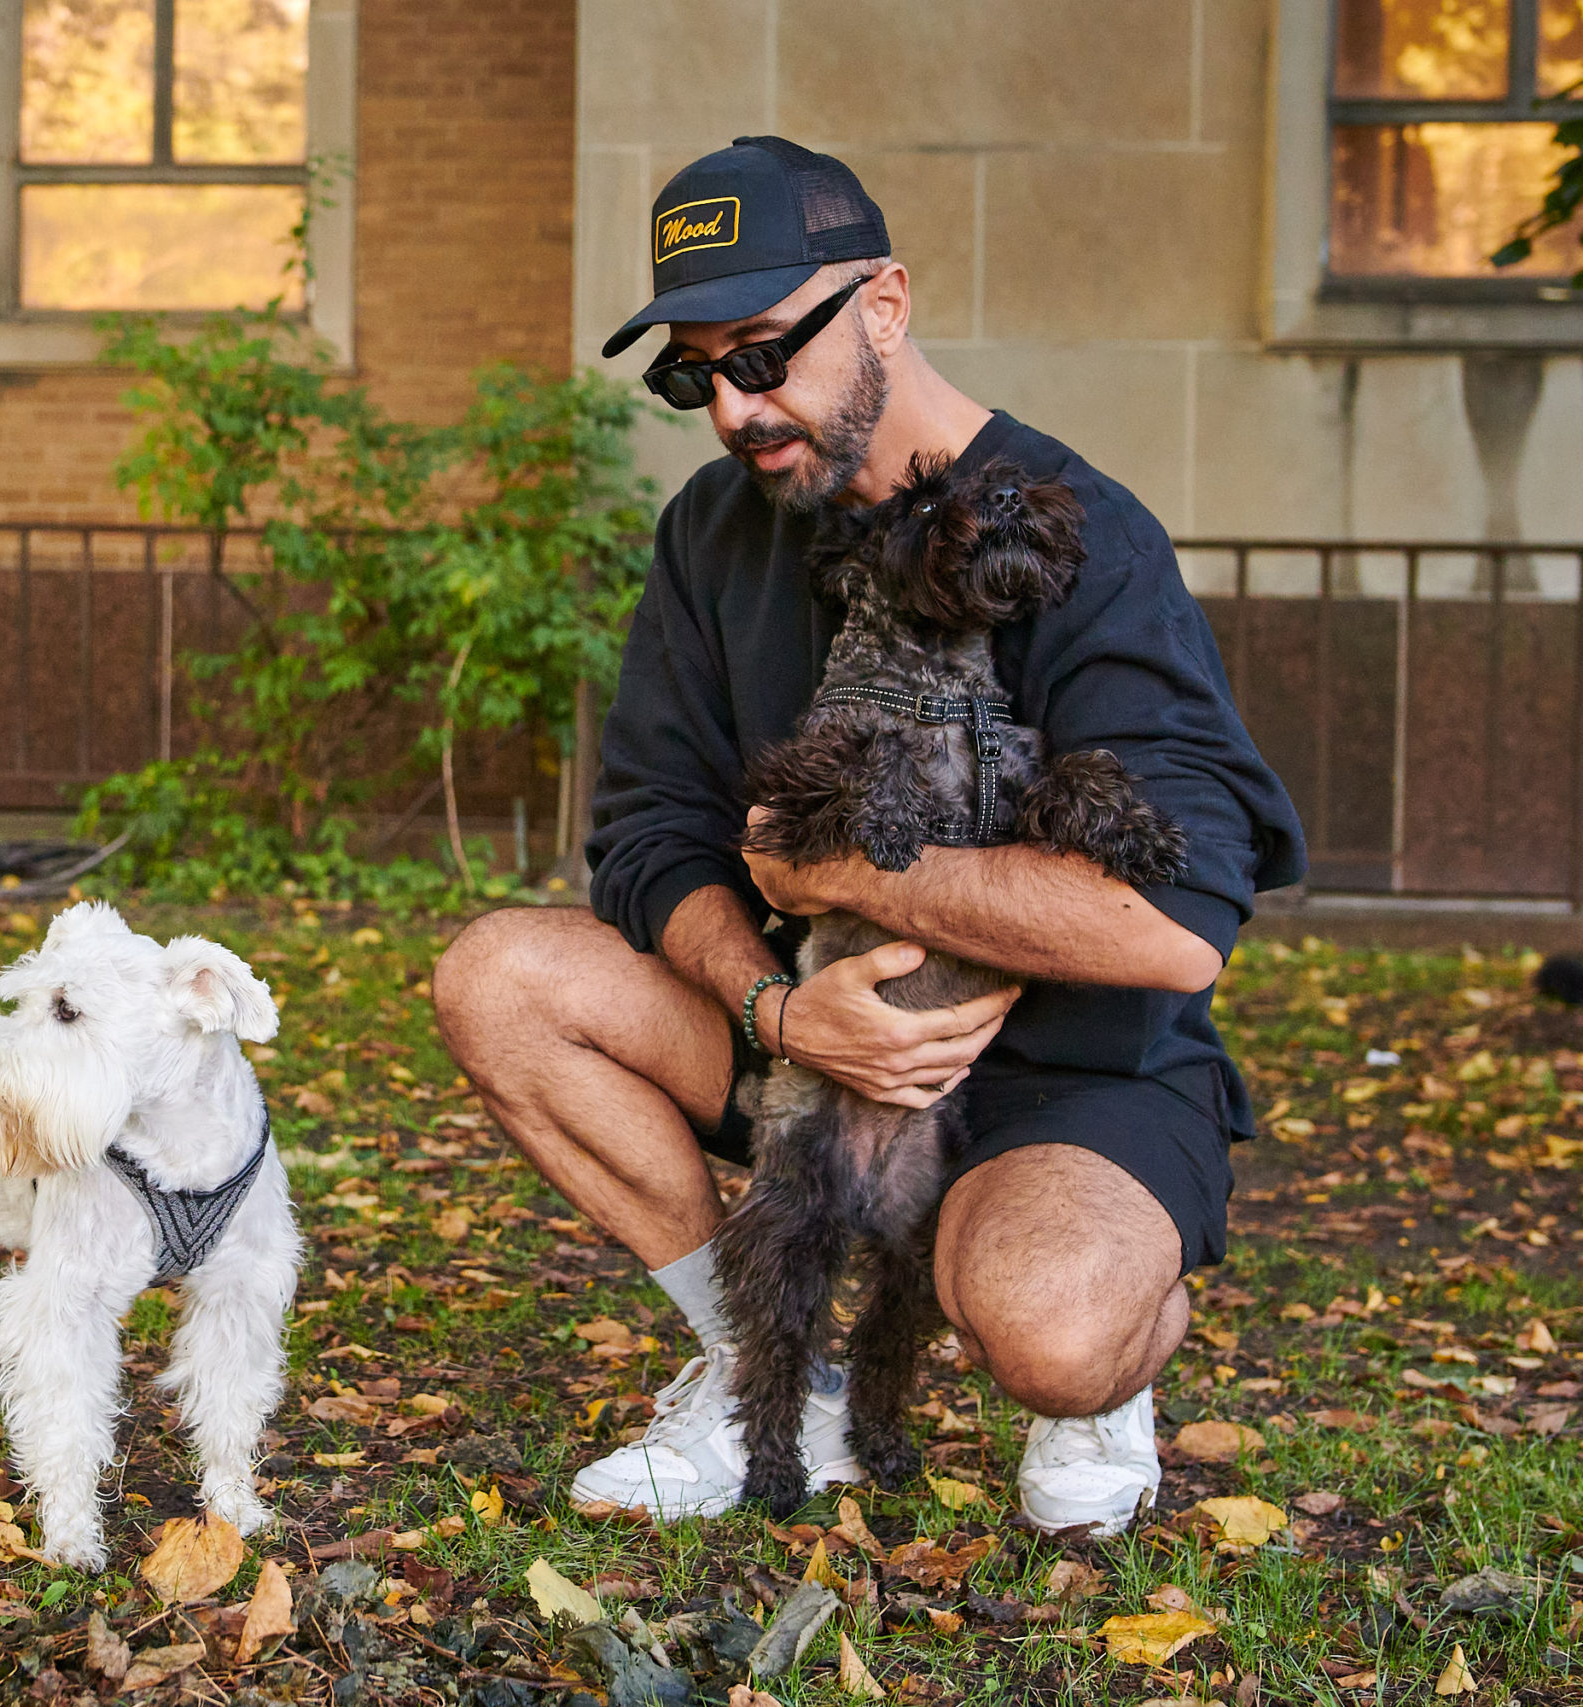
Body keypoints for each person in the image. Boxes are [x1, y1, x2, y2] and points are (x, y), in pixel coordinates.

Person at [432, 137, 1304, 1536]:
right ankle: (769, 1374)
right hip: (815, 1061)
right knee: (499, 975)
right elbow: (651, 833)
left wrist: (831, 868)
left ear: (884, 303)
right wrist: (786, 1013)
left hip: (1062, 1080)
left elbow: (1175, 927)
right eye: (690, 373)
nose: (731, 407)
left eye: (765, 354)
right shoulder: (714, 533)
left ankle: (1101, 1345)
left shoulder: (1081, 537)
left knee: (1052, 1333)